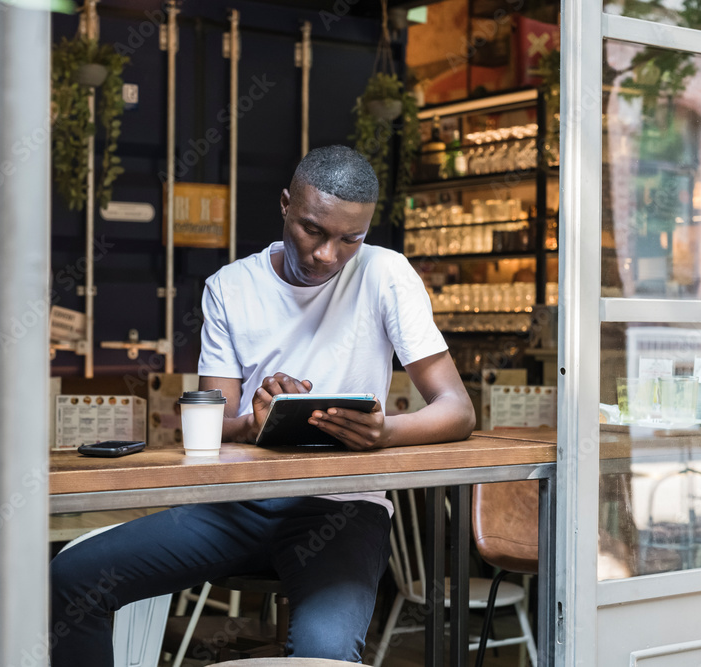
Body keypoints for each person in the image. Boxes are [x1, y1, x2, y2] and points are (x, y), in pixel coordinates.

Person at [50, 145, 475, 665]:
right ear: (285, 205)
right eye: (313, 230)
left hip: (342, 509)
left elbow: (457, 409)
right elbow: (214, 427)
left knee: (324, 654)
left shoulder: (387, 274)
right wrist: (254, 423)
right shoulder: (230, 287)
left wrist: (384, 433)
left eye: (351, 239)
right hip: (238, 501)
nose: (328, 254)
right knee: (71, 578)